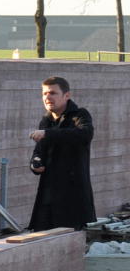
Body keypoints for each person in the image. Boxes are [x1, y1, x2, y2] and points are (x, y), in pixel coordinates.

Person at [28, 76, 95, 231]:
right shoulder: (46, 121)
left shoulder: (80, 115)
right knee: (41, 236)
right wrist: (35, 163)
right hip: (48, 194)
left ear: (66, 95)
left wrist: (48, 134)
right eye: (44, 93)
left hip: (72, 196)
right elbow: (39, 151)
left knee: (69, 238)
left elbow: (84, 135)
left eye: (53, 93)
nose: (47, 97)